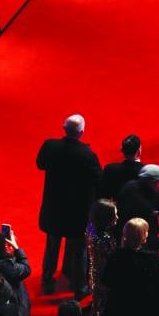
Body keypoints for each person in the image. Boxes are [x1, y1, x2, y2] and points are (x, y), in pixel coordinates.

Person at [36, 114, 102, 298]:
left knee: (52, 248)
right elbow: (99, 179)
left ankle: (47, 281)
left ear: (64, 128)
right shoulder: (88, 155)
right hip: (78, 213)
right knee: (80, 250)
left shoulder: (50, 146)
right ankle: (80, 287)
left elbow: (40, 164)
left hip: (54, 209)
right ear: (82, 132)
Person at [85, 198, 118, 316]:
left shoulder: (91, 228)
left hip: (94, 271)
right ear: (106, 218)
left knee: (96, 303)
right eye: (115, 214)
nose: (117, 217)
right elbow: (113, 258)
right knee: (102, 306)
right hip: (104, 277)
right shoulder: (104, 239)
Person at [116, 163, 159, 236]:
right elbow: (123, 217)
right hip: (136, 232)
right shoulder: (131, 192)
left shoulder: (157, 188)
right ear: (151, 182)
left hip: (151, 229)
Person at [99, 134, 142, 199]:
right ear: (139, 151)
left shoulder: (110, 169)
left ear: (122, 150)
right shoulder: (144, 172)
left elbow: (103, 193)